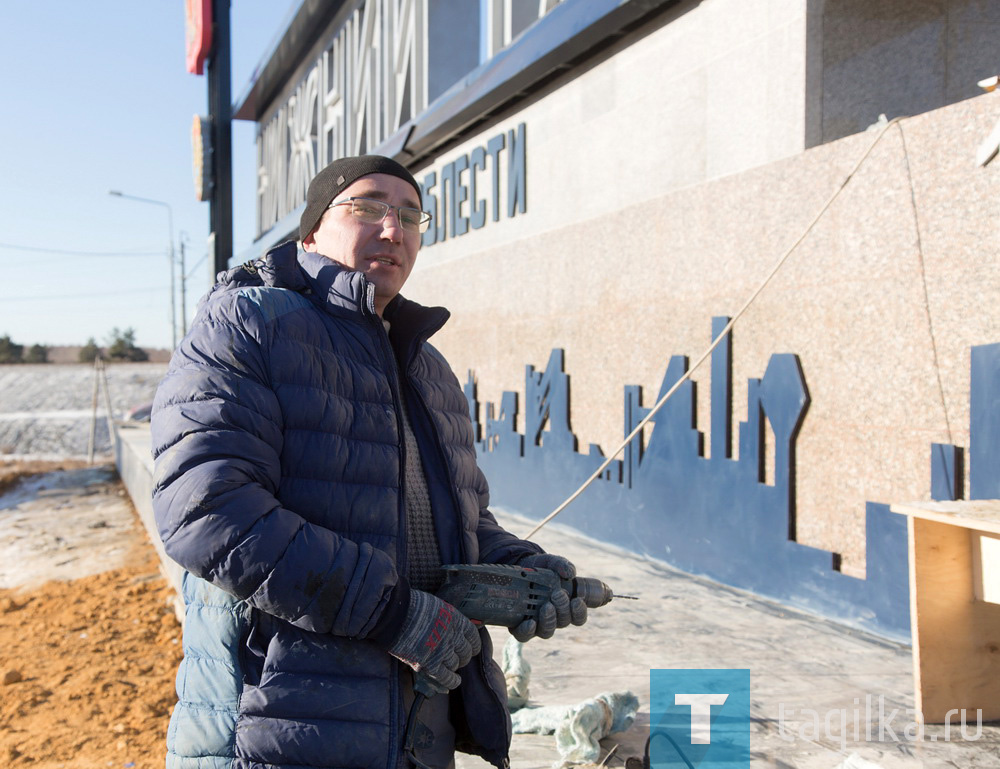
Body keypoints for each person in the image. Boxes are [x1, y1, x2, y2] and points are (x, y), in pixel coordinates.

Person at [150, 154, 587, 769]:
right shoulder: (247, 325)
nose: (393, 229)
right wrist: (395, 613)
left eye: (411, 215)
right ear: (310, 233)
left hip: (417, 726)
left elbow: (457, 525)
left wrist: (522, 571)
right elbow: (208, 510)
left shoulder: (427, 370)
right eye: (367, 208)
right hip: (282, 727)